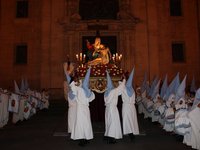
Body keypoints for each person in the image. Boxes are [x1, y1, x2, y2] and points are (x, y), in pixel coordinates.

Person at [70, 67, 95, 146]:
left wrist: (74, 79)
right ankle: (85, 138)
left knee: (81, 124)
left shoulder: (79, 89)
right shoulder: (88, 91)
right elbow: (92, 99)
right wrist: (90, 90)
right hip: (85, 109)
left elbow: (72, 87)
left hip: (81, 109)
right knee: (86, 123)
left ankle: (82, 139)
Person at [104, 70, 125, 144]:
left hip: (107, 109)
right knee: (113, 122)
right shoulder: (113, 91)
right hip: (112, 109)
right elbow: (120, 88)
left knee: (108, 122)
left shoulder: (106, 92)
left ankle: (107, 135)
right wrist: (123, 80)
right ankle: (111, 138)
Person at [121, 68, 139, 140]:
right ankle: (132, 132)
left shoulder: (124, 88)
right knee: (132, 119)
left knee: (127, 120)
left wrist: (124, 79)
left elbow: (121, 87)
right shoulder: (132, 90)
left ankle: (130, 133)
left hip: (126, 106)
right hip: (132, 107)